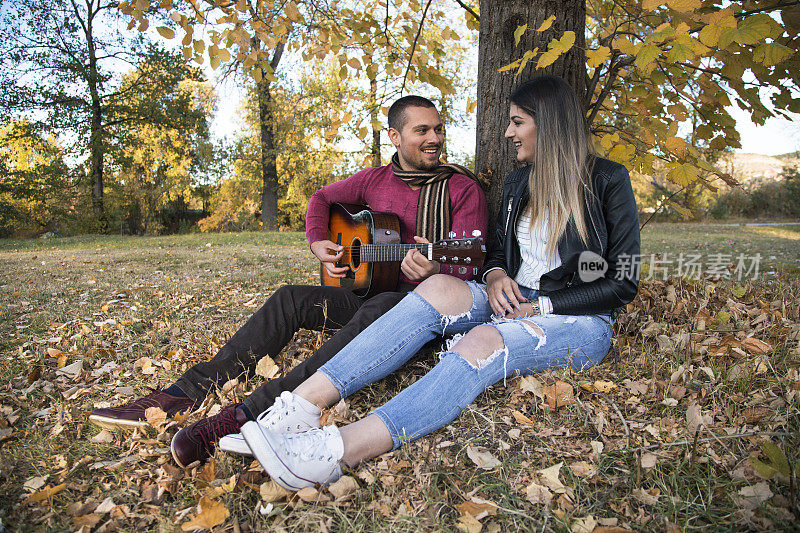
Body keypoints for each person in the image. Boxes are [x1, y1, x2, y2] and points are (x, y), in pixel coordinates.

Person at [237, 75, 641, 490]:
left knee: (481, 340)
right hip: (512, 295)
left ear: (549, 124)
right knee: (436, 288)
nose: (507, 133)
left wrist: (540, 307)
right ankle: (297, 409)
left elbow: (624, 282)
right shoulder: (519, 182)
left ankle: (334, 452)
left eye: (517, 122)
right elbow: (496, 253)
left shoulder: (608, 180)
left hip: (579, 316)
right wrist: (497, 274)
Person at [87, 95, 488, 467]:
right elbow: (321, 199)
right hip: (369, 293)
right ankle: (184, 392)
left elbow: (468, 269)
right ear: (395, 137)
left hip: (417, 313)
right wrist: (319, 244)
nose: (435, 138)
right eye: (423, 131)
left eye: (438, 129)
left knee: (377, 309)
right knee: (289, 298)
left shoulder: (462, 188)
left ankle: (254, 411)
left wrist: (437, 270)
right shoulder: (374, 179)